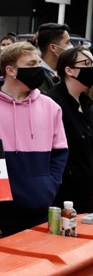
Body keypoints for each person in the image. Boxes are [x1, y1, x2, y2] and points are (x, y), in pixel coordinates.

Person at [0, 42, 68, 237]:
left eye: (39, 62)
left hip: (39, 209)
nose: (38, 68)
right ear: (10, 70)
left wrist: (49, 186)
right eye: (31, 64)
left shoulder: (50, 106)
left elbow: (60, 152)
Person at [47, 46, 93, 213]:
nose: (91, 68)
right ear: (69, 70)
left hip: (86, 195)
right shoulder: (53, 103)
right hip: (64, 198)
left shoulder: (87, 104)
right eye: (87, 63)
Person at [36, 22, 72, 93]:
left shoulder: (65, 70)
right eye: (67, 43)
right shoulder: (38, 77)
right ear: (53, 48)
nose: (71, 46)